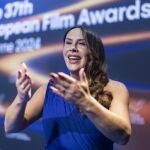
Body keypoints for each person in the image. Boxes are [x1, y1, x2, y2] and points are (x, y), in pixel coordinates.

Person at [4, 26, 131, 150]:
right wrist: (21, 97)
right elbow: (10, 127)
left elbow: (123, 136)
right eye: (68, 43)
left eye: (81, 44)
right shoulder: (48, 90)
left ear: (93, 51)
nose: (73, 48)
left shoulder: (115, 89)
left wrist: (86, 102)